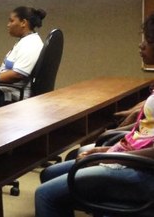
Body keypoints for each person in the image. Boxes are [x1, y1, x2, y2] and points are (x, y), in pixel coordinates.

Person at [34, 13, 154, 217]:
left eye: (148, 41)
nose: (141, 46)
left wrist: (109, 156)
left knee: (45, 195)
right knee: (50, 174)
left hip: (145, 175)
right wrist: (107, 150)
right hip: (137, 163)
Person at [0, 6, 47, 102]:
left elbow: (17, 74)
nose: (8, 25)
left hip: (11, 96)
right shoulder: (25, 41)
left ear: (23, 23)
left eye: (11, 21)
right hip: (6, 90)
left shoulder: (31, 44)